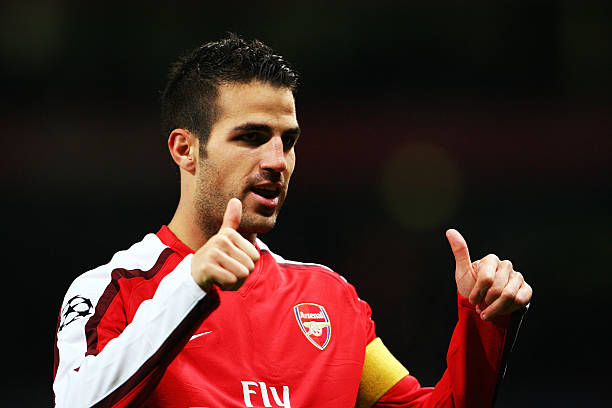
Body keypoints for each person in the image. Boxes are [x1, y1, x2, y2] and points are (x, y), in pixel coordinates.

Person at [53, 34, 532, 408]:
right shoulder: (115, 290)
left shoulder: (328, 300)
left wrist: (484, 323)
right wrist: (190, 284)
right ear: (186, 149)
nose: (277, 160)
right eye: (252, 137)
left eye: (288, 139)